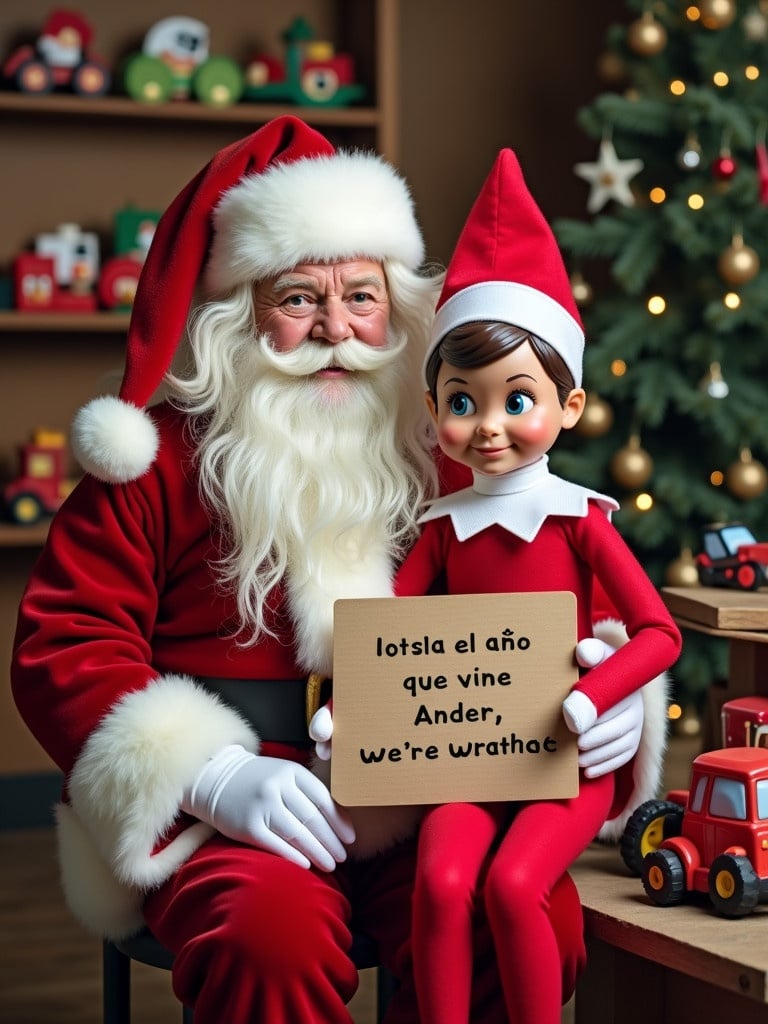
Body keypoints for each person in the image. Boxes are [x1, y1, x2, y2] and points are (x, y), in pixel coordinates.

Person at [12, 116, 664, 1024]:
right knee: (267, 943)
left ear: (399, 309)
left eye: (362, 297)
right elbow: (67, 641)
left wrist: (614, 703)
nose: (333, 329)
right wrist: (208, 774)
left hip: (441, 782)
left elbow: (574, 609)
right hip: (240, 811)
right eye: (296, 298)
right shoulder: (156, 464)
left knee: (518, 920)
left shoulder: (456, 455)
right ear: (240, 311)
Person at [385, 148, 681, 1024]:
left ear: (570, 406)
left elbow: (659, 633)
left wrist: (601, 697)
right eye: (462, 400)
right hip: (466, 756)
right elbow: (387, 633)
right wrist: (349, 706)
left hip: (559, 761)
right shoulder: (440, 530)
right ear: (435, 408)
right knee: (440, 883)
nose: (488, 428)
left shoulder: (581, 519)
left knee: (516, 888)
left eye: (517, 400)